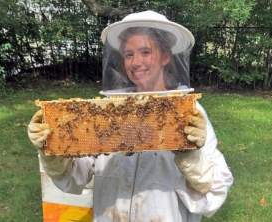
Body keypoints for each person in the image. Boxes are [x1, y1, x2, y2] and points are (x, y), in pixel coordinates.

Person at [28, 10, 233, 222]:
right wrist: (52, 151)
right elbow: (74, 177)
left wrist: (191, 157)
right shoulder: (109, 112)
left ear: (165, 57)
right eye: (129, 54)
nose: (135, 62)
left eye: (145, 52)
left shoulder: (191, 113)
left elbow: (214, 193)